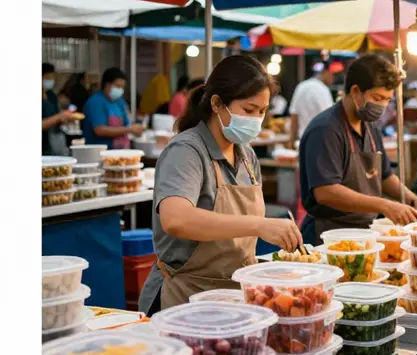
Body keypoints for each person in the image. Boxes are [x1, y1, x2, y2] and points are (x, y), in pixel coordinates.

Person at [138, 55, 302, 314]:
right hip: (186, 300)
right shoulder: (186, 150)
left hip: (235, 298)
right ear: (217, 104)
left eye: (262, 111)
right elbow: (176, 218)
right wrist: (259, 225)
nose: (256, 120)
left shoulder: (246, 155)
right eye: (249, 110)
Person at [298, 54, 417, 244]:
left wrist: (411, 198)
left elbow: (385, 177)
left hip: (365, 232)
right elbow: (325, 192)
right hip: (329, 235)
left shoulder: (370, 127)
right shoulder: (326, 129)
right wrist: (384, 205)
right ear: (355, 91)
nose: (382, 106)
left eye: (387, 100)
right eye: (377, 98)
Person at [83, 67, 145, 149]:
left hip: (121, 150)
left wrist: (135, 129)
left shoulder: (120, 102)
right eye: (117, 86)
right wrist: (129, 129)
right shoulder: (95, 102)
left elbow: (127, 124)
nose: (120, 90)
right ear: (107, 84)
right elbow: (99, 130)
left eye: (122, 87)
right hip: (101, 151)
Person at [289, 61, 334, 138]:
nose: (333, 79)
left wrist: (292, 139)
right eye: (332, 75)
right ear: (326, 72)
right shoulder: (323, 89)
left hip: (301, 138)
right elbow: (330, 119)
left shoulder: (301, 86)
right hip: (318, 139)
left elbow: (294, 115)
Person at [42, 63, 74, 155]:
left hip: (55, 142)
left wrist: (64, 119)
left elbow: (56, 116)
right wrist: (59, 117)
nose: (50, 81)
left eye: (52, 78)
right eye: (47, 78)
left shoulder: (51, 96)